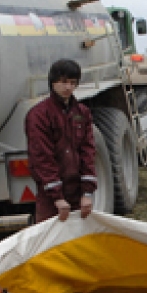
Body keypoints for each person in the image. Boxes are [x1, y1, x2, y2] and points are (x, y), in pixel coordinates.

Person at [25, 58, 98, 223]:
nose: (68, 87)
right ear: (53, 82)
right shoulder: (38, 115)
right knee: (51, 236)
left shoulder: (82, 113)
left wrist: (87, 193)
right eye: (64, 82)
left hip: (77, 192)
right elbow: (41, 157)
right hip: (50, 196)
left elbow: (88, 151)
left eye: (73, 83)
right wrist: (57, 197)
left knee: (80, 236)